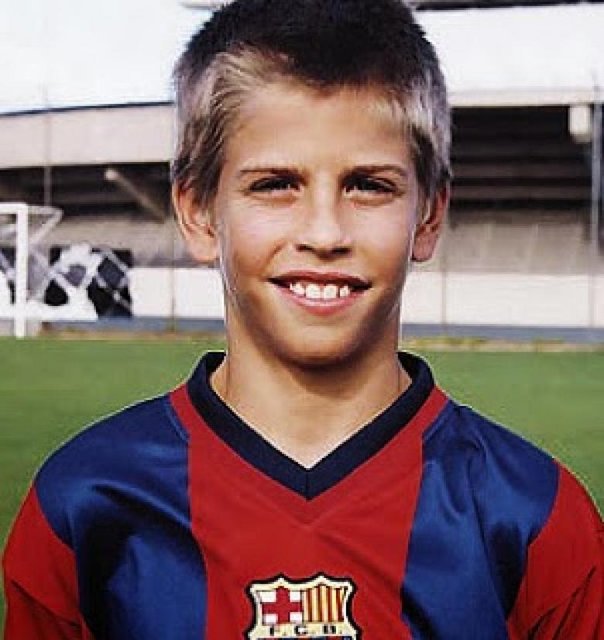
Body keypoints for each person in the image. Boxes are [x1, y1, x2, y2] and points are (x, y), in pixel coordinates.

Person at [3, 0, 602, 637]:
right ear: (198, 213)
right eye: (275, 184)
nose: (324, 233)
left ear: (428, 215)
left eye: (368, 185)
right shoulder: (84, 503)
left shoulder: (537, 519)